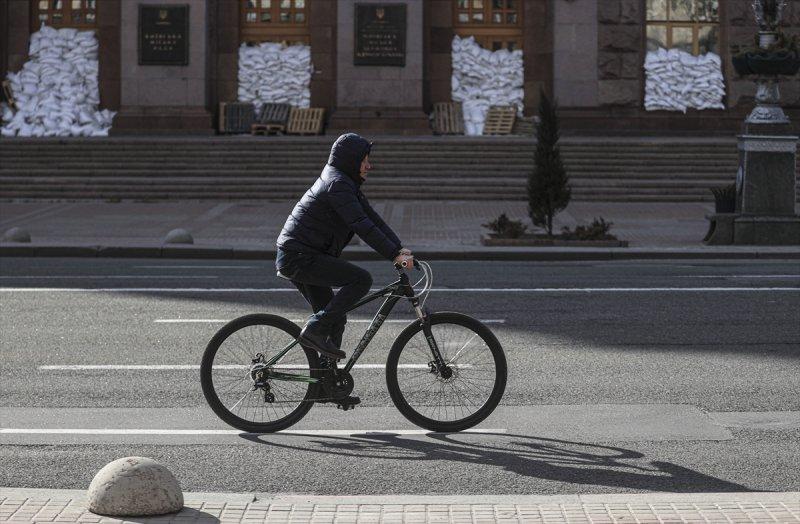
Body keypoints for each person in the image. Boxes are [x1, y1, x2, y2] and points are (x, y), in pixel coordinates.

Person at [276, 133, 414, 360]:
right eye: (365, 160)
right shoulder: (338, 185)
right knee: (360, 280)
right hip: (299, 256)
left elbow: (372, 219)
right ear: (351, 160)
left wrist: (398, 249)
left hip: (301, 253)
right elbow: (361, 225)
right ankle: (313, 330)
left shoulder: (344, 183)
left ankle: (326, 384)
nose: (369, 165)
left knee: (335, 318)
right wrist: (392, 255)